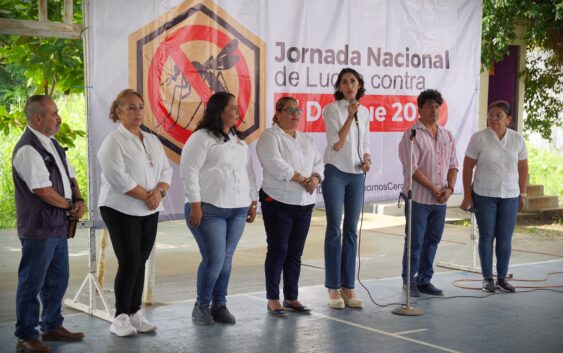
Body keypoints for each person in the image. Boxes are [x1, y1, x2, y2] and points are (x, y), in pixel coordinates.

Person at [12, 95, 85, 353]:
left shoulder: (52, 143)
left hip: (56, 227)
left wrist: (78, 199)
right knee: (32, 282)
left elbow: (70, 175)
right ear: (38, 118)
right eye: (54, 113)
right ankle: (26, 335)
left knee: (57, 279)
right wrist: (69, 205)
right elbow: (42, 190)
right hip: (40, 228)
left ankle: (52, 325)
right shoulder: (28, 149)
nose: (59, 118)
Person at [97, 89, 172, 336]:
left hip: (149, 208)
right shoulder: (113, 142)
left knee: (141, 260)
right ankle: (119, 317)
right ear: (118, 112)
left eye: (140, 106)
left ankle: (134, 313)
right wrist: (148, 196)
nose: (137, 111)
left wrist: (159, 193)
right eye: (130, 107)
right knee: (129, 261)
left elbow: (166, 171)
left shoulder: (151, 139)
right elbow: (119, 178)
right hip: (120, 208)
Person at [180, 91, 258, 325]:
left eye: (237, 107)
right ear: (219, 110)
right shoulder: (201, 138)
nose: (237, 111)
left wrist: (253, 201)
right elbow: (189, 171)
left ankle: (219, 305)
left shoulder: (238, 140)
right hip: (208, 208)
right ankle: (201, 306)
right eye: (233, 107)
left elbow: (249, 172)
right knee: (214, 259)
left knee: (226, 258)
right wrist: (195, 203)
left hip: (238, 208)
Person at [256, 96, 324, 317]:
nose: (295, 114)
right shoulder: (269, 136)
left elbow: (318, 162)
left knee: (295, 252)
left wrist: (315, 178)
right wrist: (301, 179)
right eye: (290, 110)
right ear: (278, 113)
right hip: (278, 201)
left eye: (298, 110)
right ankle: (273, 298)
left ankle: (292, 297)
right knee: (278, 250)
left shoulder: (305, 138)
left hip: (304, 203)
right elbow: (275, 164)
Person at [460, 100, 528, 293]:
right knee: (487, 236)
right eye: (490, 114)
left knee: (505, 238)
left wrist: (522, 193)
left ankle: (502, 278)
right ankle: (487, 278)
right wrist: (467, 195)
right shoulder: (478, 138)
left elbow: (523, 168)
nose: (493, 118)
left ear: (508, 119)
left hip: (510, 195)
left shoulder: (517, 139)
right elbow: (467, 167)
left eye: (498, 115)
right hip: (484, 194)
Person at [398, 89, 458, 297]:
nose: (434, 109)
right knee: (414, 241)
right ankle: (409, 281)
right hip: (420, 199)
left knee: (432, 240)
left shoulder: (447, 135)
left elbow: (453, 164)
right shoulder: (412, 135)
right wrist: (434, 189)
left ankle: (425, 280)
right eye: (429, 105)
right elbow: (412, 169)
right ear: (420, 109)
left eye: (437, 105)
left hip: (441, 200)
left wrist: (449, 189)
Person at [322, 68, 371, 309]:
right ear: (339, 87)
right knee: (335, 229)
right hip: (335, 172)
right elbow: (338, 144)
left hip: (357, 175)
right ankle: (333, 287)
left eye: (353, 81)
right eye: (344, 82)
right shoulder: (332, 109)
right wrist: (350, 117)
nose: (349, 85)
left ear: (359, 84)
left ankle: (348, 286)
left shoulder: (366, 111)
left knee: (352, 230)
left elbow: (365, 143)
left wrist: (367, 159)